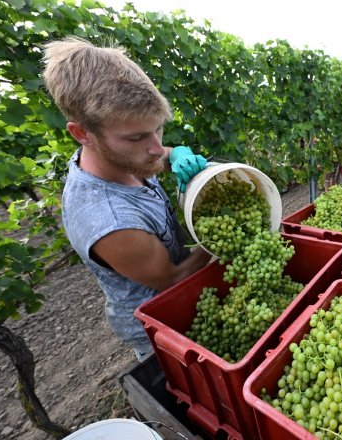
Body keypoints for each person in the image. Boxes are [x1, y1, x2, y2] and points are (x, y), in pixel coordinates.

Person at [42, 37, 212, 360]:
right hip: (162, 336)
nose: (156, 147)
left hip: (188, 296)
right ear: (82, 134)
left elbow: (158, 154)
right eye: (136, 137)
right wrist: (223, 240)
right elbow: (173, 279)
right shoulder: (108, 221)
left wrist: (177, 155)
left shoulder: (122, 155)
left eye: (157, 129)